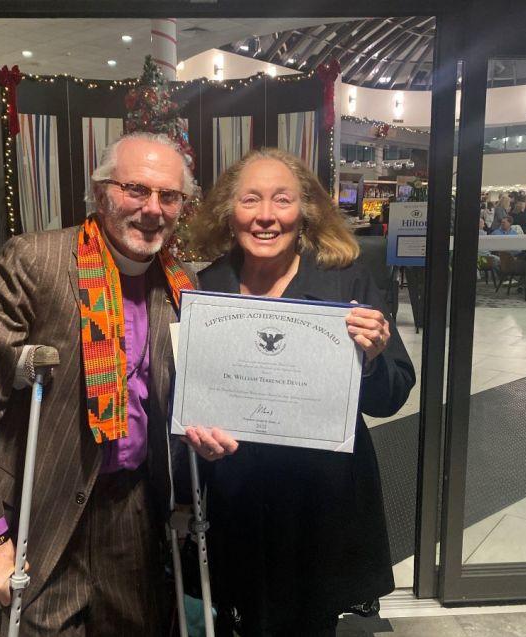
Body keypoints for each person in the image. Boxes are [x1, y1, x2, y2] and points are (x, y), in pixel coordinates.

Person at [0, 132, 236, 635]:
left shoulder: (182, 285)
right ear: (100, 193)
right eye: (135, 189)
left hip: (134, 512)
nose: (153, 209)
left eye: (169, 196)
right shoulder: (34, 262)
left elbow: (184, 400)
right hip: (44, 507)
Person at [187, 148, 415, 637]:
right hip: (237, 492)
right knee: (239, 615)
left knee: (312, 621)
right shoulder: (205, 290)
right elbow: (189, 393)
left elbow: (392, 396)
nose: (266, 216)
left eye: (282, 200)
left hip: (322, 497)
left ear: (304, 211)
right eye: (251, 200)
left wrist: (374, 358)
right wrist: (192, 432)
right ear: (230, 213)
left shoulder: (346, 283)